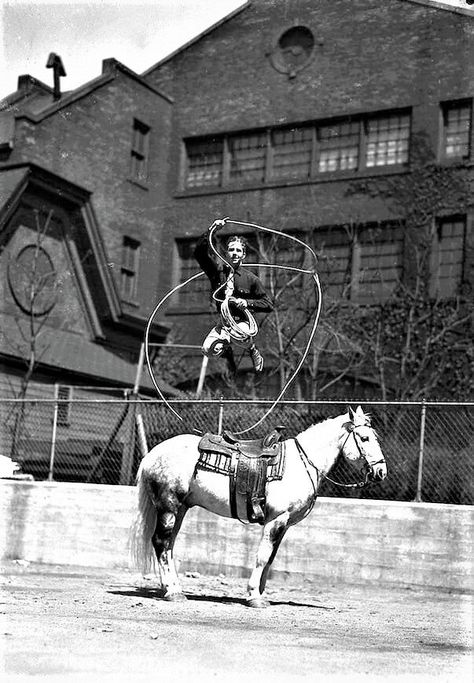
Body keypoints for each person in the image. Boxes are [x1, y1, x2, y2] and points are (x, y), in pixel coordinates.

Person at [194, 219, 273, 374]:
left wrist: (247, 302)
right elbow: (199, 253)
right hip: (223, 321)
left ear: (243, 254)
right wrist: (212, 229)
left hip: (241, 322)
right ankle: (226, 348)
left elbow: (268, 304)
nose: (235, 253)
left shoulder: (251, 279)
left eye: (238, 250)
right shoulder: (217, 272)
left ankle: (252, 350)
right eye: (232, 250)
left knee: (239, 333)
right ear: (227, 253)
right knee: (207, 350)